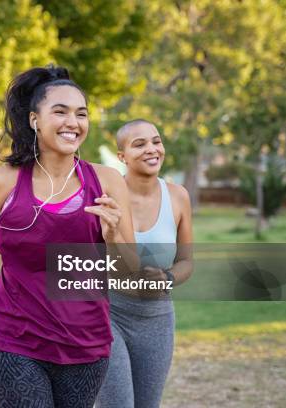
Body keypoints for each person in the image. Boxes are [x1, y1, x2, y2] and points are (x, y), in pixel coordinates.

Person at [0, 65, 136, 408]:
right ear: (34, 119)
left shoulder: (108, 182)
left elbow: (129, 269)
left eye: (81, 114)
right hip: (13, 339)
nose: (73, 122)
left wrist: (113, 234)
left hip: (86, 343)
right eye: (60, 111)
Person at [96, 119, 193, 408]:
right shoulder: (105, 198)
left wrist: (166, 279)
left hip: (157, 319)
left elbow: (187, 261)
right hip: (109, 315)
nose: (152, 149)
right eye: (139, 144)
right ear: (122, 157)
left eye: (156, 141)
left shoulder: (178, 196)